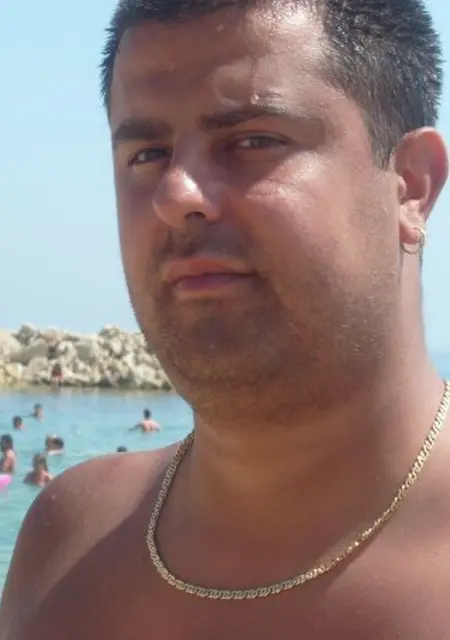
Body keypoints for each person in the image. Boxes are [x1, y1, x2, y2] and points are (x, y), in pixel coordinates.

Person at [1, 0, 450, 637]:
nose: (176, 194)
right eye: (147, 154)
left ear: (411, 185)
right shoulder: (68, 544)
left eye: (253, 141)